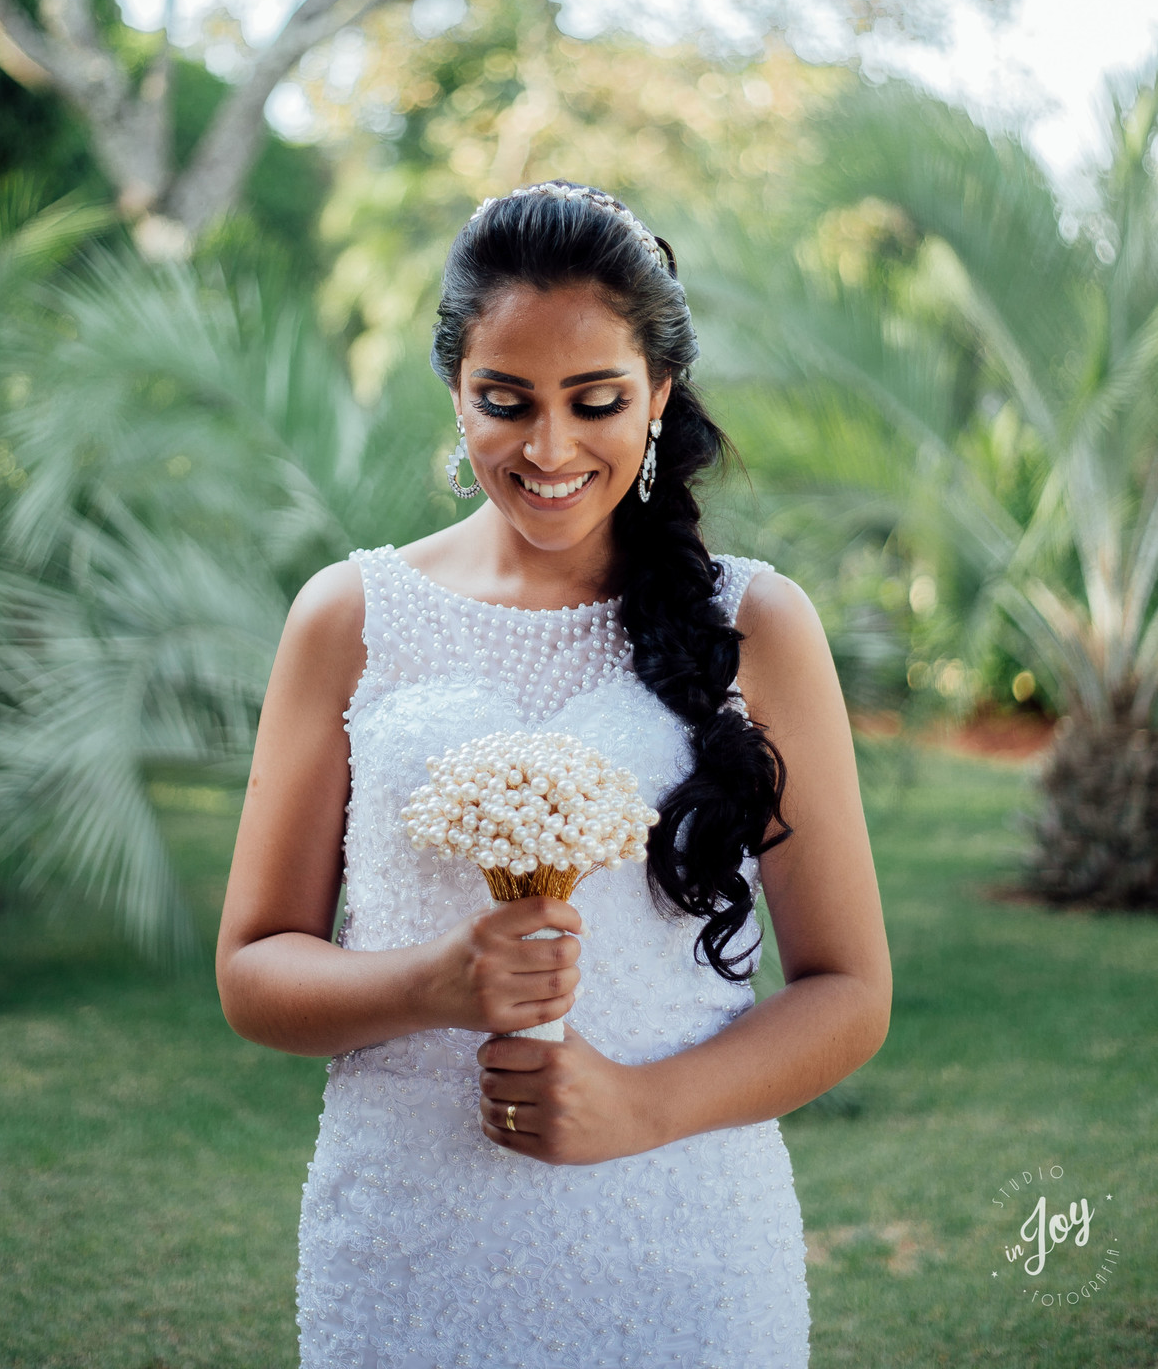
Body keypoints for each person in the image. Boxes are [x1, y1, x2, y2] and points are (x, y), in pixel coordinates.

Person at [216, 180, 892, 1369]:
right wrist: (433, 984)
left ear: (659, 396)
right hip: (410, 1255)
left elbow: (847, 991)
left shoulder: (758, 623)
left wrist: (641, 1110)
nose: (547, 448)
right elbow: (254, 971)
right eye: (503, 401)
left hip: (684, 1252)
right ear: (454, 392)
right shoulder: (349, 615)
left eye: (595, 403)